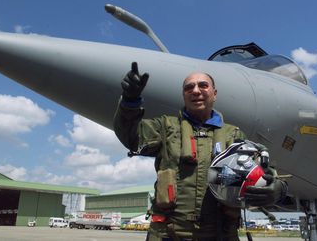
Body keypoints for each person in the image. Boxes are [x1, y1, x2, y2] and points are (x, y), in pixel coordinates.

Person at [114, 62, 287, 241]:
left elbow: (263, 173)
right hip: (168, 234)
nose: (196, 91)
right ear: (184, 95)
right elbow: (132, 139)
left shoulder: (234, 135)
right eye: (189, 87)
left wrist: (277, 189)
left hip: (220, 234)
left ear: (214, 93)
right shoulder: (166, 127)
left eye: (203, 85)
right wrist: (129, 102)